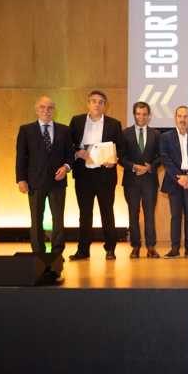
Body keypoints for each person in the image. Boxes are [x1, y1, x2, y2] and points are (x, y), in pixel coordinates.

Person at [68, 90, 125, 261]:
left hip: (105, 174)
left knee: (107, 213)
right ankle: (83, 250)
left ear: (105, 106)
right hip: (83, 174)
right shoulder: (76, 121)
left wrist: (114, 159)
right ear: (88, 104)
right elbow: (67, 145)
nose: (97, 104)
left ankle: (110, 248)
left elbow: (121, 148)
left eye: (101, 102)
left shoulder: (114, 124)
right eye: (94, 101)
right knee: (84, 213)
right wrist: (77, 152)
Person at [15, 96, 74, 256]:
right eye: (42, 107)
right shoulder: (26, 130)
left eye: (49, 108)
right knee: (36, 220)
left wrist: (66, 167)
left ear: (54, 110)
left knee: (58, 220)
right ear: (36, 109)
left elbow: (70, 154)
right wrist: (21, 179)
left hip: (58, 180)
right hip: (35, 181)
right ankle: (38, 253)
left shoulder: (64, 130)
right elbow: (21, 157)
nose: (46, 111)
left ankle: (57, 253)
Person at [160, 106, 188, 258]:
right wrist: (180, 179)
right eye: (180, 116)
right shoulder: (166, 137)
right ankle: (174, 249)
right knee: (175, 216)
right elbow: (166, 160)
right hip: (174, 180)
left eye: (186, 116)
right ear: (175, 117)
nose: (182, 119)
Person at [118, 101, 162, 259]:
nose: (141, 117)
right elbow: (120, 157)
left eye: (144, 114)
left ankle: (151, 246)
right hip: (131, 180)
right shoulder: (124, 133)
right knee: (133, 213)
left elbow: (161, 157)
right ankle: (135, 246)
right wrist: (133, 166)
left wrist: (150, 166)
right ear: (134, 115)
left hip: (150, 180)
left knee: (150, 214)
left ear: (149, 116)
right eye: (138, 113)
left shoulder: (156, 134)